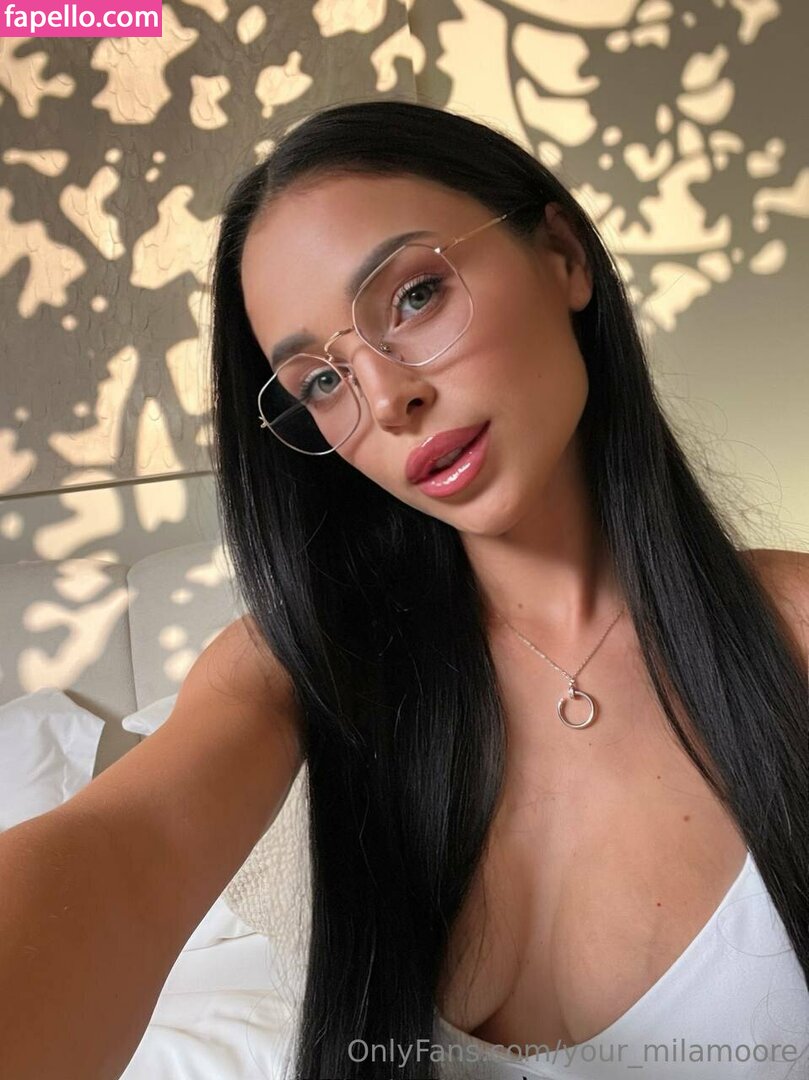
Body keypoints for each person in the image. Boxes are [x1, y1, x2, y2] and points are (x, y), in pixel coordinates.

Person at [0, 99, 807, 1080]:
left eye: (414, 296)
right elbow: (122, 856)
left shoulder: (791, 631)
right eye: (319, 382)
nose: (386, 398)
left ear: (562, 256)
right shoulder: (300, 666)